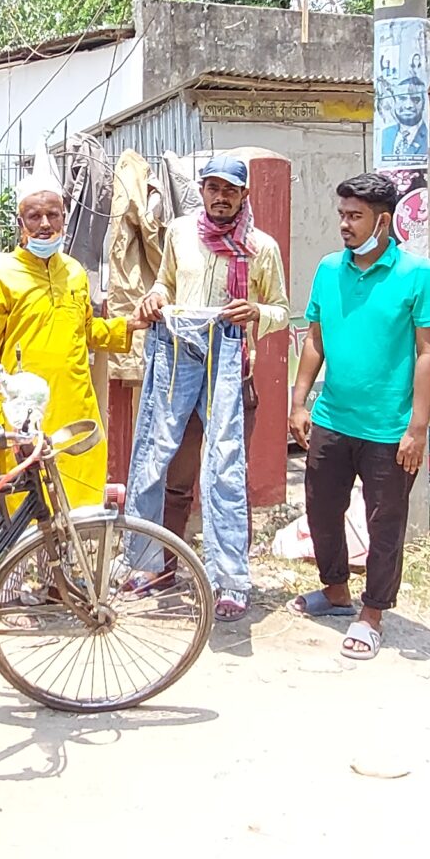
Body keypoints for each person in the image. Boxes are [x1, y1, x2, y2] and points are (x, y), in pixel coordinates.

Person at [288, 172, 430, 660]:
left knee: (385, 523)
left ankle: (373, 612)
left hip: (389, 428)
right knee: (321, 511)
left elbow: (428, 354)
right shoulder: (329, 269)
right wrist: (299, 401)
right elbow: (314, 338)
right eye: (341, 215)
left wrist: (416, 428)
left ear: (383, 221)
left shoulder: (420, 276)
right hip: (333, 418)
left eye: (355, 216)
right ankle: (335, 590)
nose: (345, 225)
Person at [126, 154, 288, 622]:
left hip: (232, 369)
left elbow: (281, 308)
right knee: (162, 465)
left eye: (230, 189)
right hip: (179, 356)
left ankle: (230, 579)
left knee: (226, 471)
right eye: (213, 188)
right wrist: (155, 298)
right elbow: (164, 285)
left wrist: (255, 314)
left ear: (244, 195)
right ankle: (151, 565)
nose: (221, 197)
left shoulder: (261, 247)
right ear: (202, 190)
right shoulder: (179, 233)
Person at [0, 167, 134, 517]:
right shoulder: (1, 277)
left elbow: (85, 330)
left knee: (75, 513)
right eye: (34, 216)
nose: (45, 223)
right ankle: (12, 574)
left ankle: (68, 572)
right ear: (20, 224)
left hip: (74, 411)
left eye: (52, 215)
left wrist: (127, 327)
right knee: (19, 516)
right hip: (21, 418)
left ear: (64, 219)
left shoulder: (74, 272)